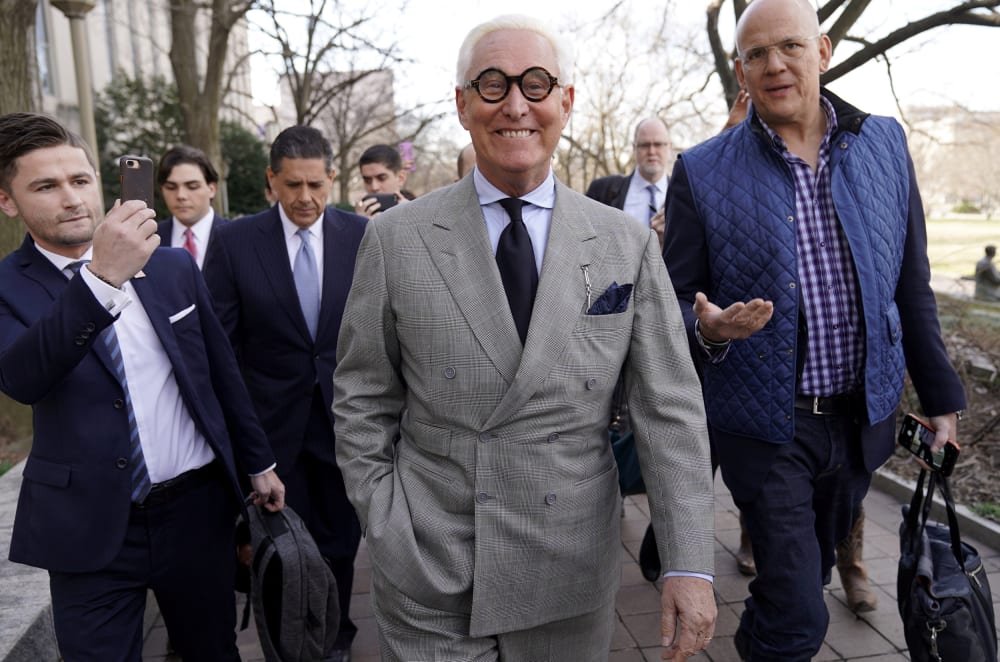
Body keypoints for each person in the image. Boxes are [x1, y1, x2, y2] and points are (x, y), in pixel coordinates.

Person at [333, 14, 716, 662]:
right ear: (461, 105)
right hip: (434, 567)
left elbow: (669, 408)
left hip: (567, 570)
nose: (516, 104)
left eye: (536, 84)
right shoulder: (397, 239)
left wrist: (689, 563)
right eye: (492, 84)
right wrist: (386, 519)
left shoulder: (624, 243)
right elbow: (362, 396)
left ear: (566, 101)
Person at [661, 0, 967, 659]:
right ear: (741, 72)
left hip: (861, 422)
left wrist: (940, 399)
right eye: (756, 55)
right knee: (802, 612)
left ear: (822, 52)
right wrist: (709, 326)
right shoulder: (702, 170)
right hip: (767, 429)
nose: (775, 65)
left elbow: (911, 281)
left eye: (790, 47)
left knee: (803, 577)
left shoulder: (884, 143)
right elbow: (674, 301)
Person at [0, 112, 285, 660]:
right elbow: (23, 377)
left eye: (80, 180)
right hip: (88, 526)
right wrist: (100, 279)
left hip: (195, 511)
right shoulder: (8, 287)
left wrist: (259, 463)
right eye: (46, 186)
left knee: (213, 652)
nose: (72, 198)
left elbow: (219, 376)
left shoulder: (173, 267)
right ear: (8, 201)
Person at [203, 125, 366, 662]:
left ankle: (336, 636)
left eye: (316, 184)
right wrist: (242, 446)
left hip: (344, 427)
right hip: (269, 434)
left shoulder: (361, 237)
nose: (305, 197)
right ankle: (286, 649)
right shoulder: (233, 242)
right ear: (271, 181)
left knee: (341, 546)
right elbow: (219, 351)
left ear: (331, 178)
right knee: (278, 553)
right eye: (292, 184)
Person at [585, 116, 671, 227]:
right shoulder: (602, 191)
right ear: (634, 148)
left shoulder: (685, 197)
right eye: (645, 145)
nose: (652, 151)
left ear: (669, 147)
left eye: (658, 144)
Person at [155, 144, 227, 269]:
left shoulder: (236, 238)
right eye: (171, 187)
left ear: (212, 189)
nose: (181, 195)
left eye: (192, 186)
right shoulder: (149, 241)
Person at [353, 143, 410, 217]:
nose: (374, 187)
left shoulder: (418, 214)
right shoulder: (356, 219)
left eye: (382, 178)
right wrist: (359, 223)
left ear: (400, 178)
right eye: (367, 180)